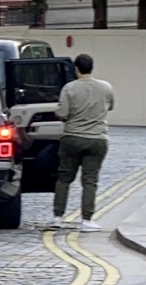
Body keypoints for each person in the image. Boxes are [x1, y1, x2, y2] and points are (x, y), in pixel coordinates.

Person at [48, 53, 113, 231]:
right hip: (97, 139)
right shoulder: (106, 87)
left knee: (64, 179)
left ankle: (57, 217)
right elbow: (111, 106)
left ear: (76, 69)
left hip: (73, 137)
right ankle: (87, 220)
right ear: (92, 68)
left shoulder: (69, 88)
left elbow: (62, 113)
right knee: (90, 181)